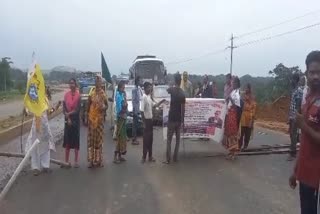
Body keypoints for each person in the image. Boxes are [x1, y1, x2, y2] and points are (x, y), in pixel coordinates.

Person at [289, 51, 320, 214]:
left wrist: (303, 126)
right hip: (305, 175)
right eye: (312, 72)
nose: (316, 76)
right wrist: (296, 171)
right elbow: (305, 143)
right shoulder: (309, 98)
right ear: (306, 73)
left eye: (319, 72)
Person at [26, 91, 58, 176]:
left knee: (46, 146)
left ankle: (45, 166)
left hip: (45, 126)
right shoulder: (34, 98)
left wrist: (55, 108)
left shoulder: (45, 99)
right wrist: (26, 109)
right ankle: (35, 168)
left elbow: (48, 112)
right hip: (36, 127)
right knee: (35, 146)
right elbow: (29, 111)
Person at [164, 73, 186, 164]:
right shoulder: (182, 93)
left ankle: (168, 159)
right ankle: (175, 158)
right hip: (178, 119)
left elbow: (167, 89)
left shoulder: (172, 90)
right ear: (180, 81)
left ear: (174, 81)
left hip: (172, 118)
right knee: (177, 140)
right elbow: (183, 108)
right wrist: (182, 120)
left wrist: (171, 83)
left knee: (169, 139)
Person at [141, 82, 166, 163]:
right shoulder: (144, 97)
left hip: (150, 121)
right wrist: (144, 123)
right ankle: (144, 157)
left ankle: (150, 157)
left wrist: (162, 101)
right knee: (146, 140)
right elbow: (141, 111)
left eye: (150, 87)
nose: (150, 89)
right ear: (145, 88)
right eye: (148, 87)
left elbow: (154, 106)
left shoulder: (148, 97)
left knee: (150, 140)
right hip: (147, 121)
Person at [87, 75, 108, 168]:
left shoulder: (103, 94)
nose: (97, 82)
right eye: (96, 81)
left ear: (101, 83)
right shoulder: (91, 92)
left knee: (99, 141)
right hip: (91, 120)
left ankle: (99, 161)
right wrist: (87, 115)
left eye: (99, 81)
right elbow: (88, 104)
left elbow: (106, 106)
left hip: (99, 121)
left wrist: (104, 108)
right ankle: (91, 161)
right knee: (91, 141)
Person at [222, 77, 242, 160]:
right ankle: (231, 152)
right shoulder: (233, 91)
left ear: (236, 84)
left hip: (233, 114)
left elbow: (236, 105)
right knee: (229, 133)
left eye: (233, 83)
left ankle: (234, 153)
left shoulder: (237, 93)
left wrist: (230, 99)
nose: (232, 84)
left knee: (232, 133)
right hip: (229, 113)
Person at [62, 78, 81, 168]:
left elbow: (77, 110)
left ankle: (76, 161)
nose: (71, 85)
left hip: (76, 121)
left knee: (76, 140)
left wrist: (69, 114)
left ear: (75, 84)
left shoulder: (78, 96)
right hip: (67, 120)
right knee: (67, 141)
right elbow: (64, 108)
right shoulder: (66, 95)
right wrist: (68, 117)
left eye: (73, 83)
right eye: (70, 83)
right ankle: (66, 161)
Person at [287, 73, 303, 161]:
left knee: (293, 134)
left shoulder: (299, 91)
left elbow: (298, 105)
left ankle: (292, 153)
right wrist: (289, 117)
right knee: (291, 134)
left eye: (292, 80)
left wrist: (295, 117)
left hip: (295, 116)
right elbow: (291, 105)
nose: (290, 81)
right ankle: (293, 148)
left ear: (295, 80)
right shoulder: (294, 90)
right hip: (291, 116)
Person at [239, 83, 256, 150]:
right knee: (241, 132)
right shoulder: (242, 96)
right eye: (245, 88)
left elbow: (254, 107)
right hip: (243, 115)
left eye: (247, 88)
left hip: (250, 116)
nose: (246, 89)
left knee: (247, 132)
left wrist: (252, 118)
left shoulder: (252, 97)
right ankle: (239, 145)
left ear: (249, 89)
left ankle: (245, 146)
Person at [114, 80, 128, 163]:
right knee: (119, 137)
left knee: (122, 138)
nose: (124, 89)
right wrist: (125, 108)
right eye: (123, 88)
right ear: (119, 88)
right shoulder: (118, 96)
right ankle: (115, 156)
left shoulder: (122, 95)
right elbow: (120, 109)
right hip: (120, 118)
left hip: (123, 117)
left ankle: (120, 156)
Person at [131, 76, 143, 145]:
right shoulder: (134, 89)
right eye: (139, 81)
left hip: (138, 108)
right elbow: (133, 100)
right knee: (134, 125)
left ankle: (135, 138)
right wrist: (135, 111)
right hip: (135, 109)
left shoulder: (138, 88)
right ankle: (134, 139)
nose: (140, 82)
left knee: (136, 124)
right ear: (137, 81)